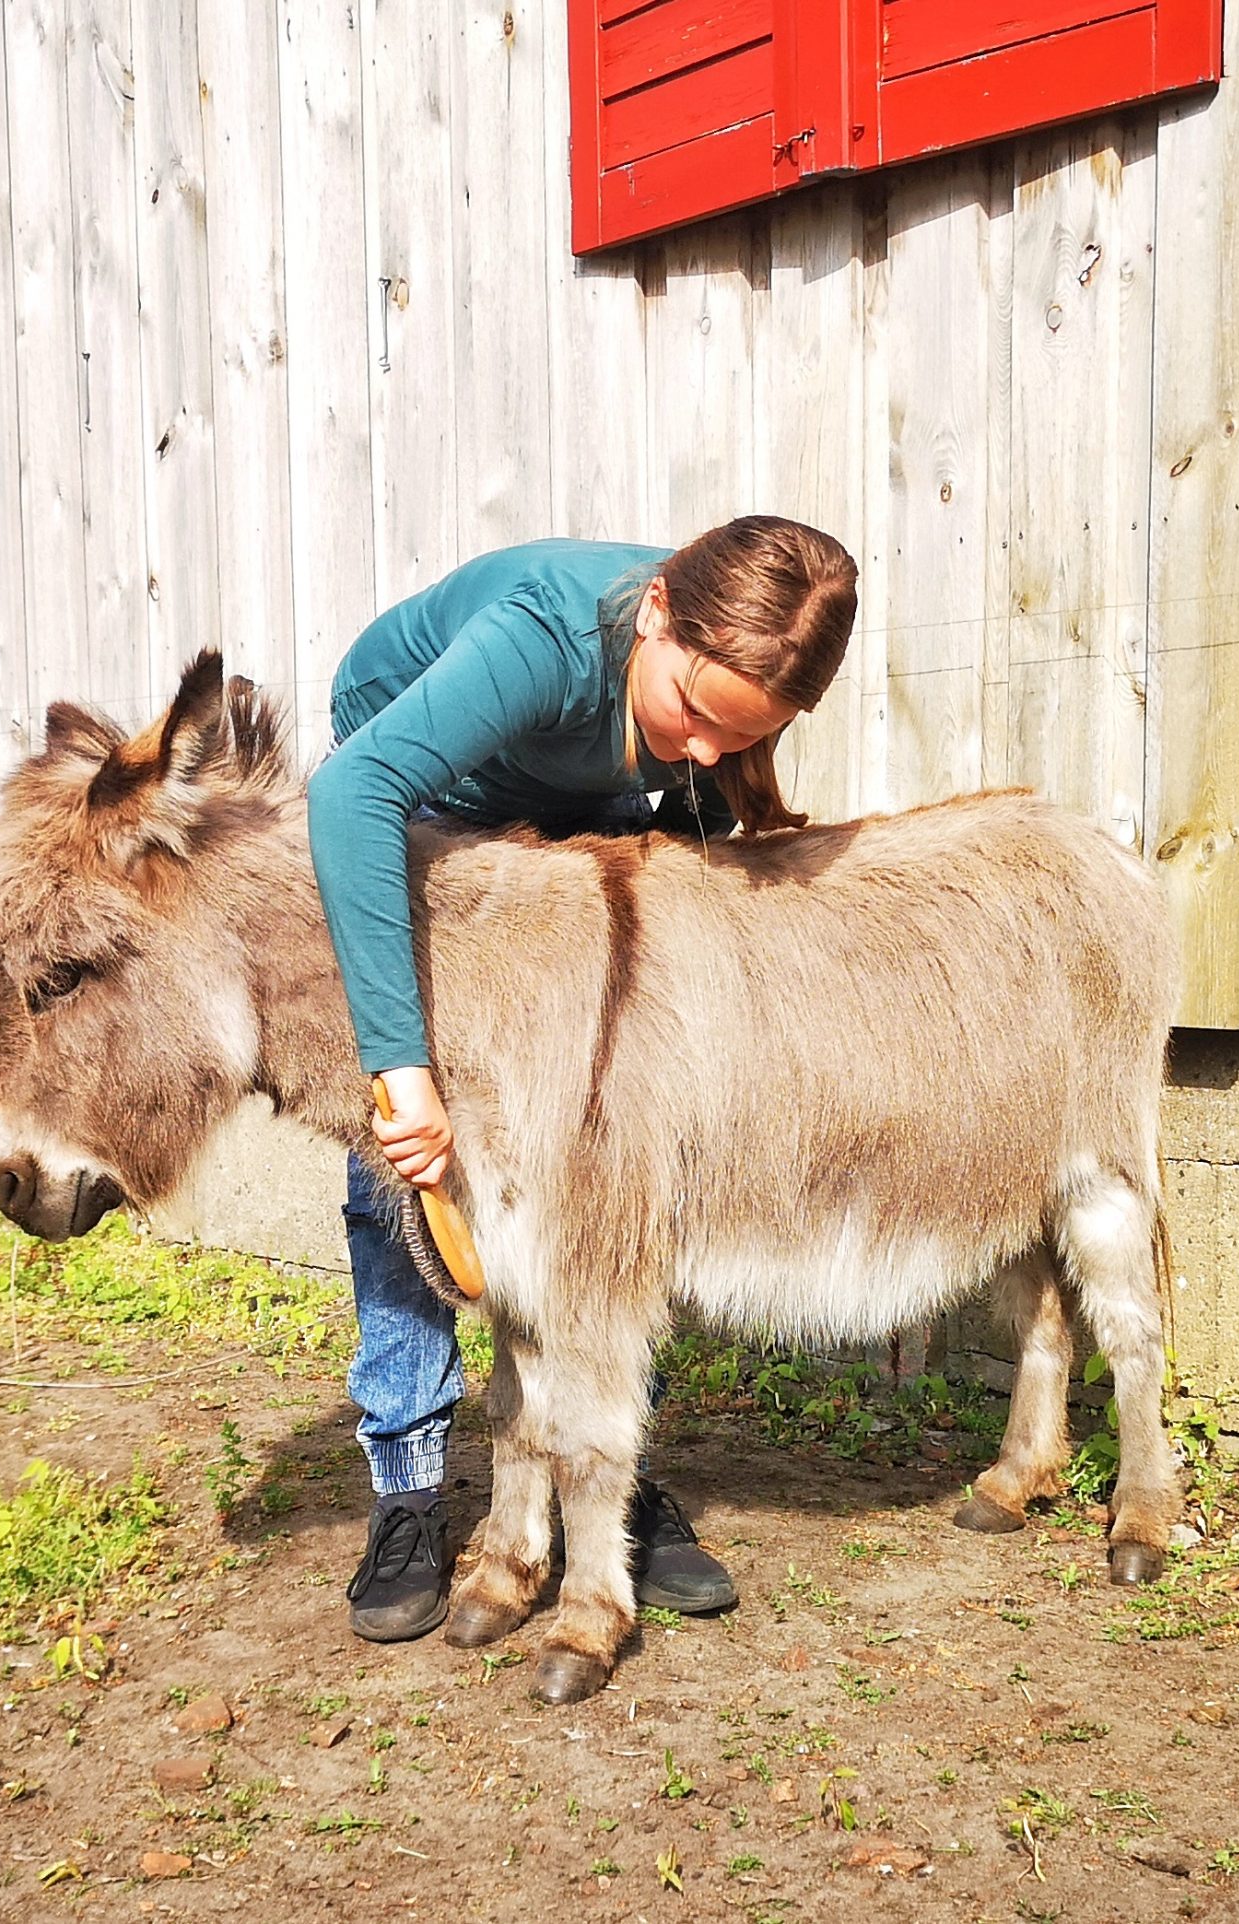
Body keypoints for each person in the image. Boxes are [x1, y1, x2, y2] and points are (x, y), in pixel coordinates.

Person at [304, 517, 860, 1642]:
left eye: (743, 735)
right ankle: (409, 1484)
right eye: (696, 712)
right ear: (656, 616)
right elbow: (349, 792)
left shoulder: (708, 707)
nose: (706, 750)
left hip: (577, 796)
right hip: (423, 787)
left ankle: (604, 1462)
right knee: (408, 1157)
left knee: (611, 1153)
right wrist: (403, 1072)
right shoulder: (545, 644)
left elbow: (692, 792)